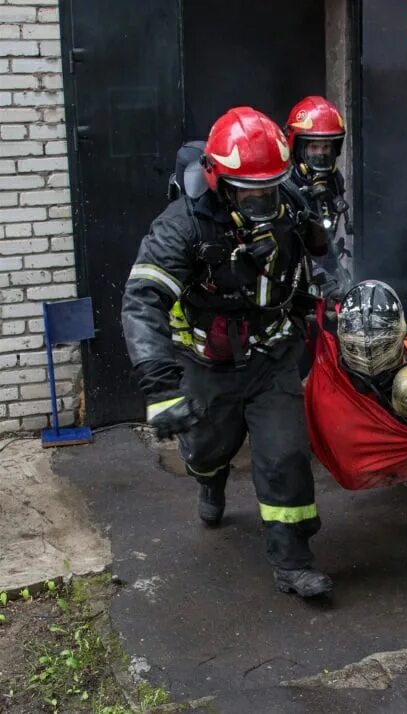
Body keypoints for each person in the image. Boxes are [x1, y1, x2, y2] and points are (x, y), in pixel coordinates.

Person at [121, 106, 333, 598]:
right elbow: (142, 299)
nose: (262, 199)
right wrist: (160, 387)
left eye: (270, 187)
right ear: (219, 180)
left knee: (285, 457)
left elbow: (314, 256)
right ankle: (209, 482)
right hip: (208, 363)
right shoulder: (184, 226)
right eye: (249, 191)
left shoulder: (290, 203)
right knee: (208, 450)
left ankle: (293, 563)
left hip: (273, 354)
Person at [333, 279, 407, 425]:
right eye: (354, 347)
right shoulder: (329, 380)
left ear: (402, 330)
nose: (369, 359)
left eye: (384, 346)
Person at [282, 95, 354, 303]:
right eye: (314, 147)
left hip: (318, 269)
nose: (321, 154)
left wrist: (335, 271)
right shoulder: (285, 187)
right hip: (289, 277)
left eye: (326, 147)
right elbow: (288, 249)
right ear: (298, 147)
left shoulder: (334, 181)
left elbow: (325, 238)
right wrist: (322, 278)